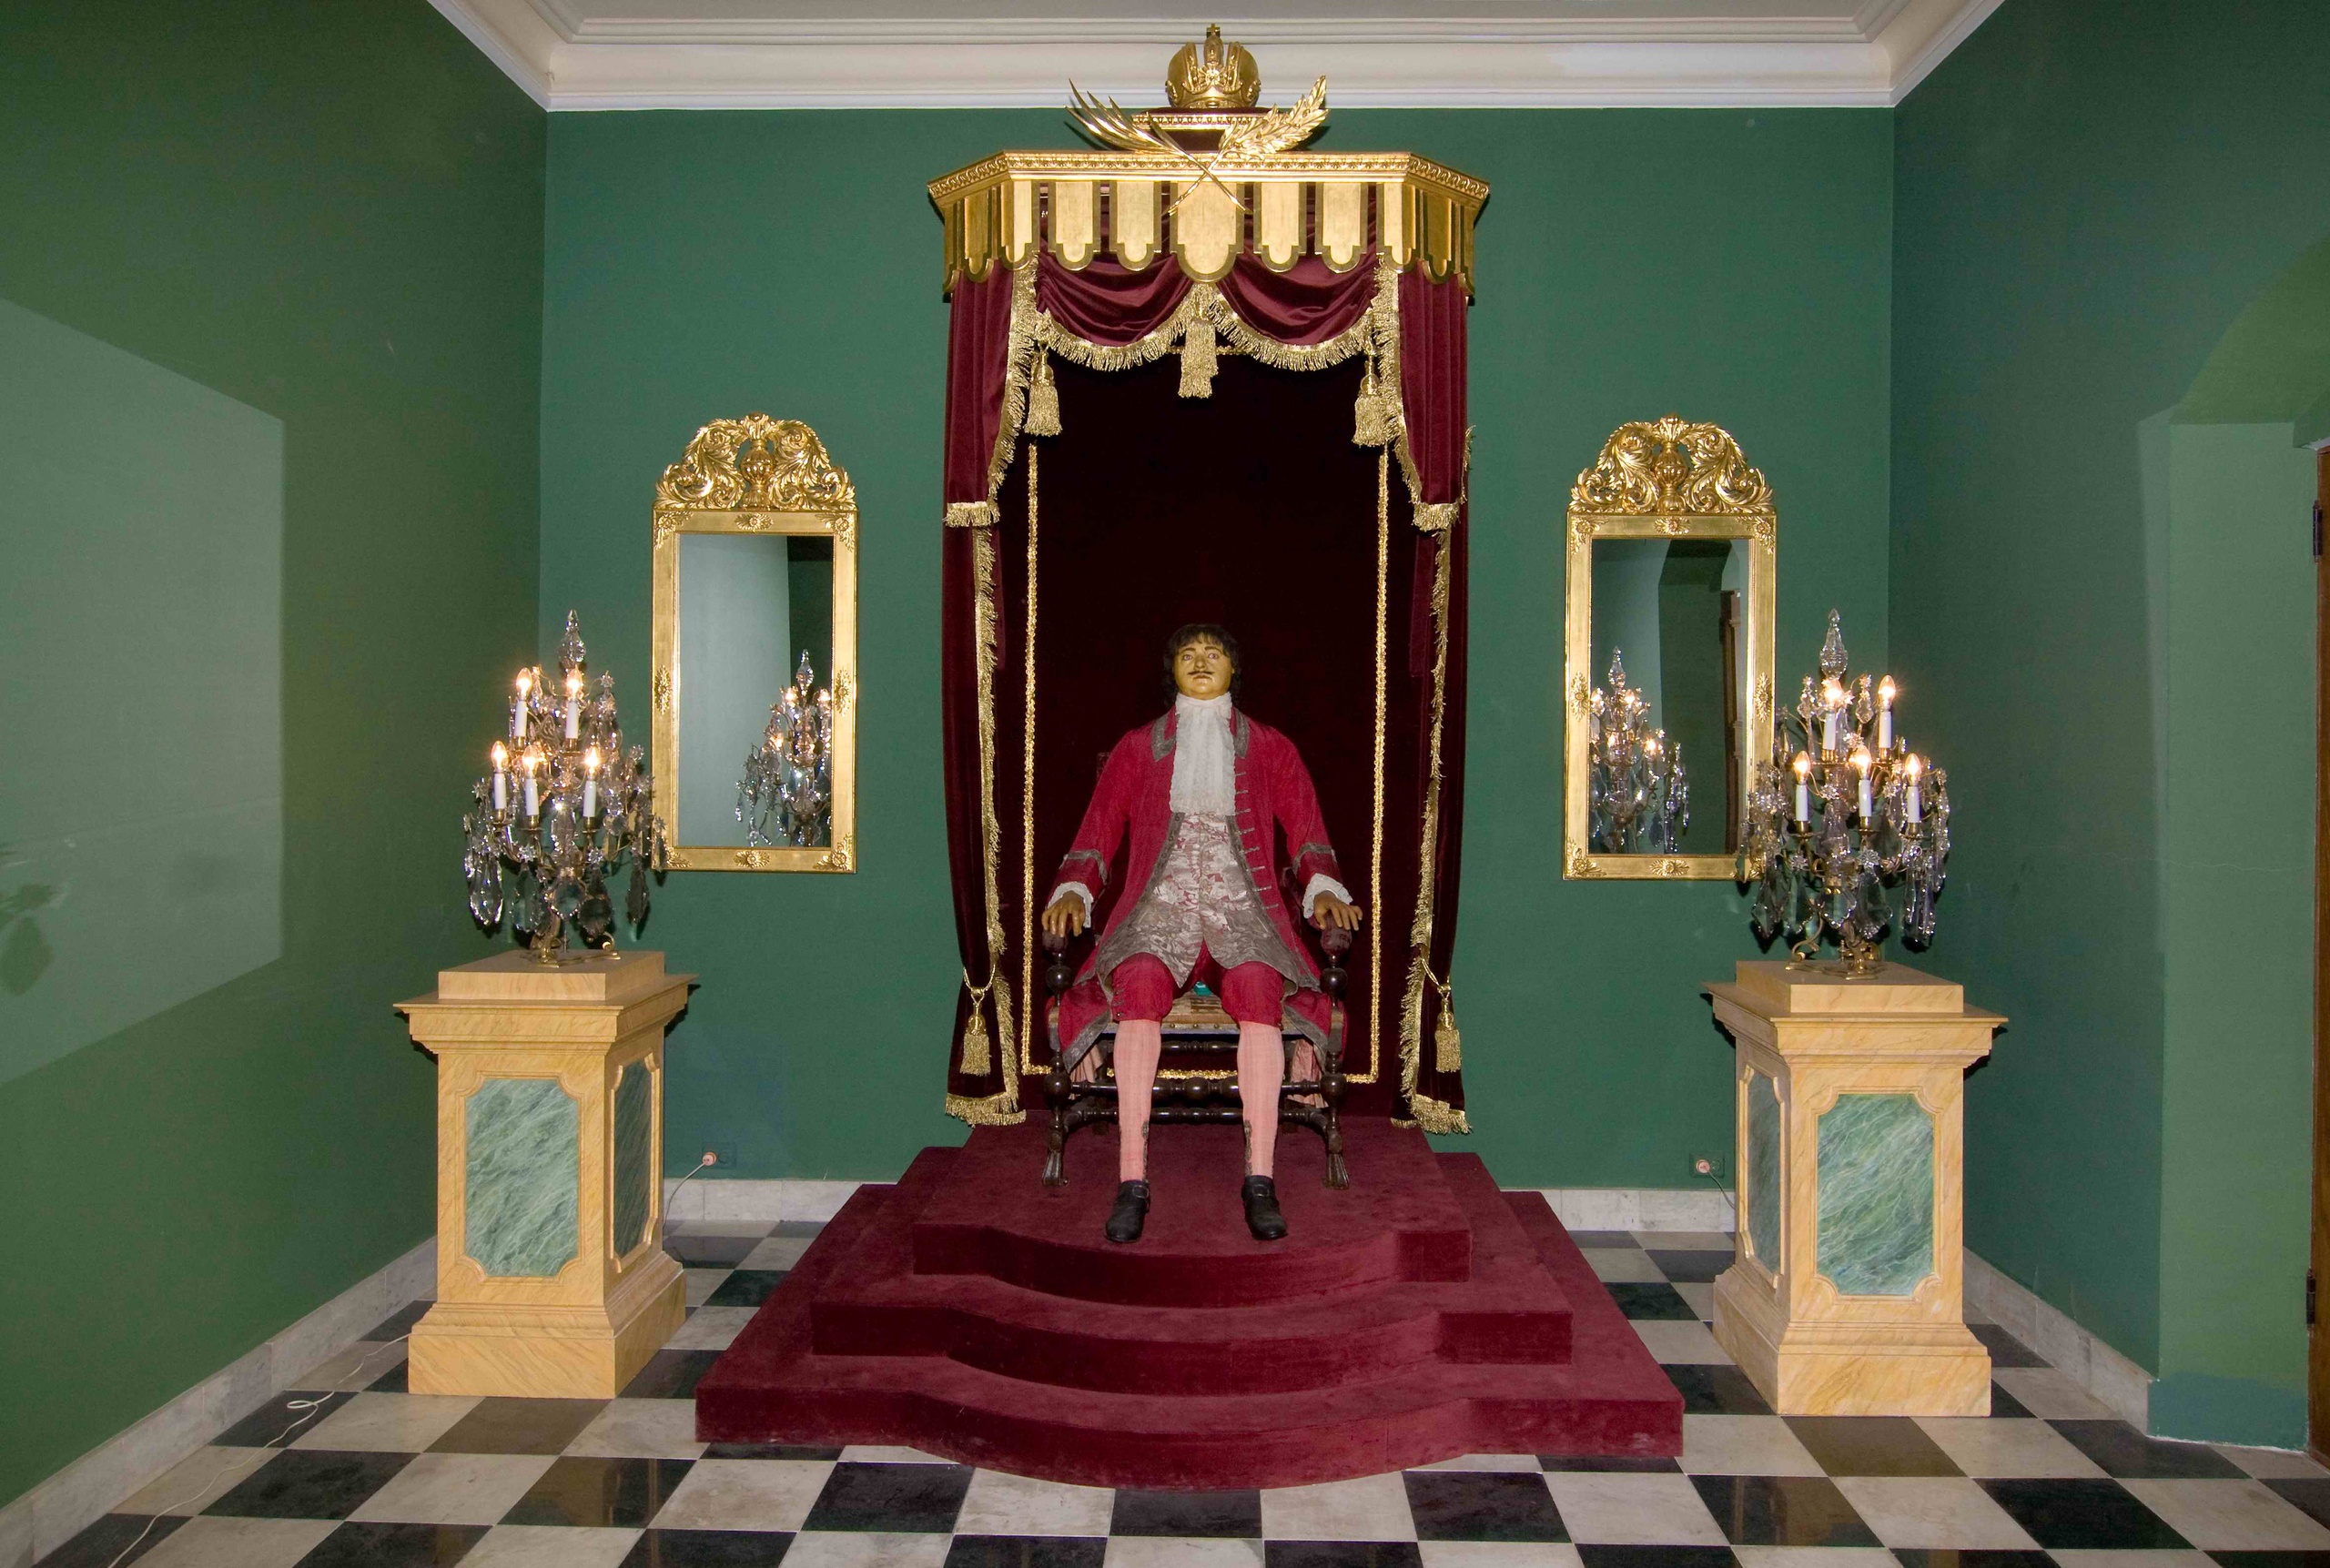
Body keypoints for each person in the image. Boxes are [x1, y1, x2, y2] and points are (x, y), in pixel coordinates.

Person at [1041, 624, 1363, 1244]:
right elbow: (1098, 829)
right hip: (1157, 916)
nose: (1200, 662)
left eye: (1213, 653)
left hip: (1246, 919)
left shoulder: (1271, 747)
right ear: (1173, 670)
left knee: (1259, 986)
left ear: (1233, 669)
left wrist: (1323, 886)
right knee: (1138, 981)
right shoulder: (1137, 747)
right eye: (1188, 654)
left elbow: (1306, 830)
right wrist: (1074, 890)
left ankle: (1260, 1180)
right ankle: (1131, 1181)